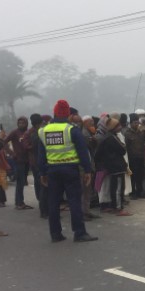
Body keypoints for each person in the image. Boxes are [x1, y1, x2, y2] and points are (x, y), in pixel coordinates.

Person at [38, 99, 98, 242]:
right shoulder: (71, 130)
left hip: (52, 170)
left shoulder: (43, 131)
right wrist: (88, 170)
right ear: (67, 114)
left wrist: (42, 173)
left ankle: (55, 234)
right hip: (70, 169)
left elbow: (41, 155)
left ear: (54, 113)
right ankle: (79, 233)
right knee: (74, 201)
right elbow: (83, 152)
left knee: (53, 202)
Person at [94, 117, 131, 216]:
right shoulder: (112, 138)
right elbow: (122, 150)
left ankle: (113, 205)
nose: (119, 127)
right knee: (118, 188)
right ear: (113, 127)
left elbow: (98, 154)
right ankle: (118, 208)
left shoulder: (105, 137)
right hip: (116, 166)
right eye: (117, 125)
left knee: (114, 187)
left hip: (111, 166)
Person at [6, 116, 34, 210]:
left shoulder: (28, 132)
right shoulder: (15, 132)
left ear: (27, 123)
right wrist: (12, 153)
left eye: (23, 123)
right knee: (20, 182)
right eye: (19, 123)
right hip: (18, 161)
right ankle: (19, 203)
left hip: (27, 160)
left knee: (24, 181)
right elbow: (4, 142)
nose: (21, 124)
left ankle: (20, 202)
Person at [124, 114, 145, 199]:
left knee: (140, 175)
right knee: (133, 176)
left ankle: (140, 192)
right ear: (131, 123)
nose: (136, 124)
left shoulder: (141, 132)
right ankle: (133, 192)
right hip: (132, 158)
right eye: (134, 123)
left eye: (137, 123)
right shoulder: (127, 133)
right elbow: (126, 146)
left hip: (141, 157)